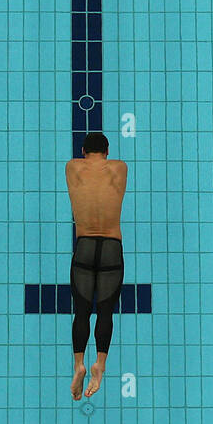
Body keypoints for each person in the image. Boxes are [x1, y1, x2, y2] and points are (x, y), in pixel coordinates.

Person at [67, 132, 128, 400]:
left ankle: (78, 364)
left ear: (82, 151)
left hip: (84, 245)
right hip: (111, 247)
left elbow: (82, 162)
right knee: (105, 313)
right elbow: (109, 164)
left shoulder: (73, 167)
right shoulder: (119, 168)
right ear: (107, 151)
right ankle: (99, 364)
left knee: (82, 312)